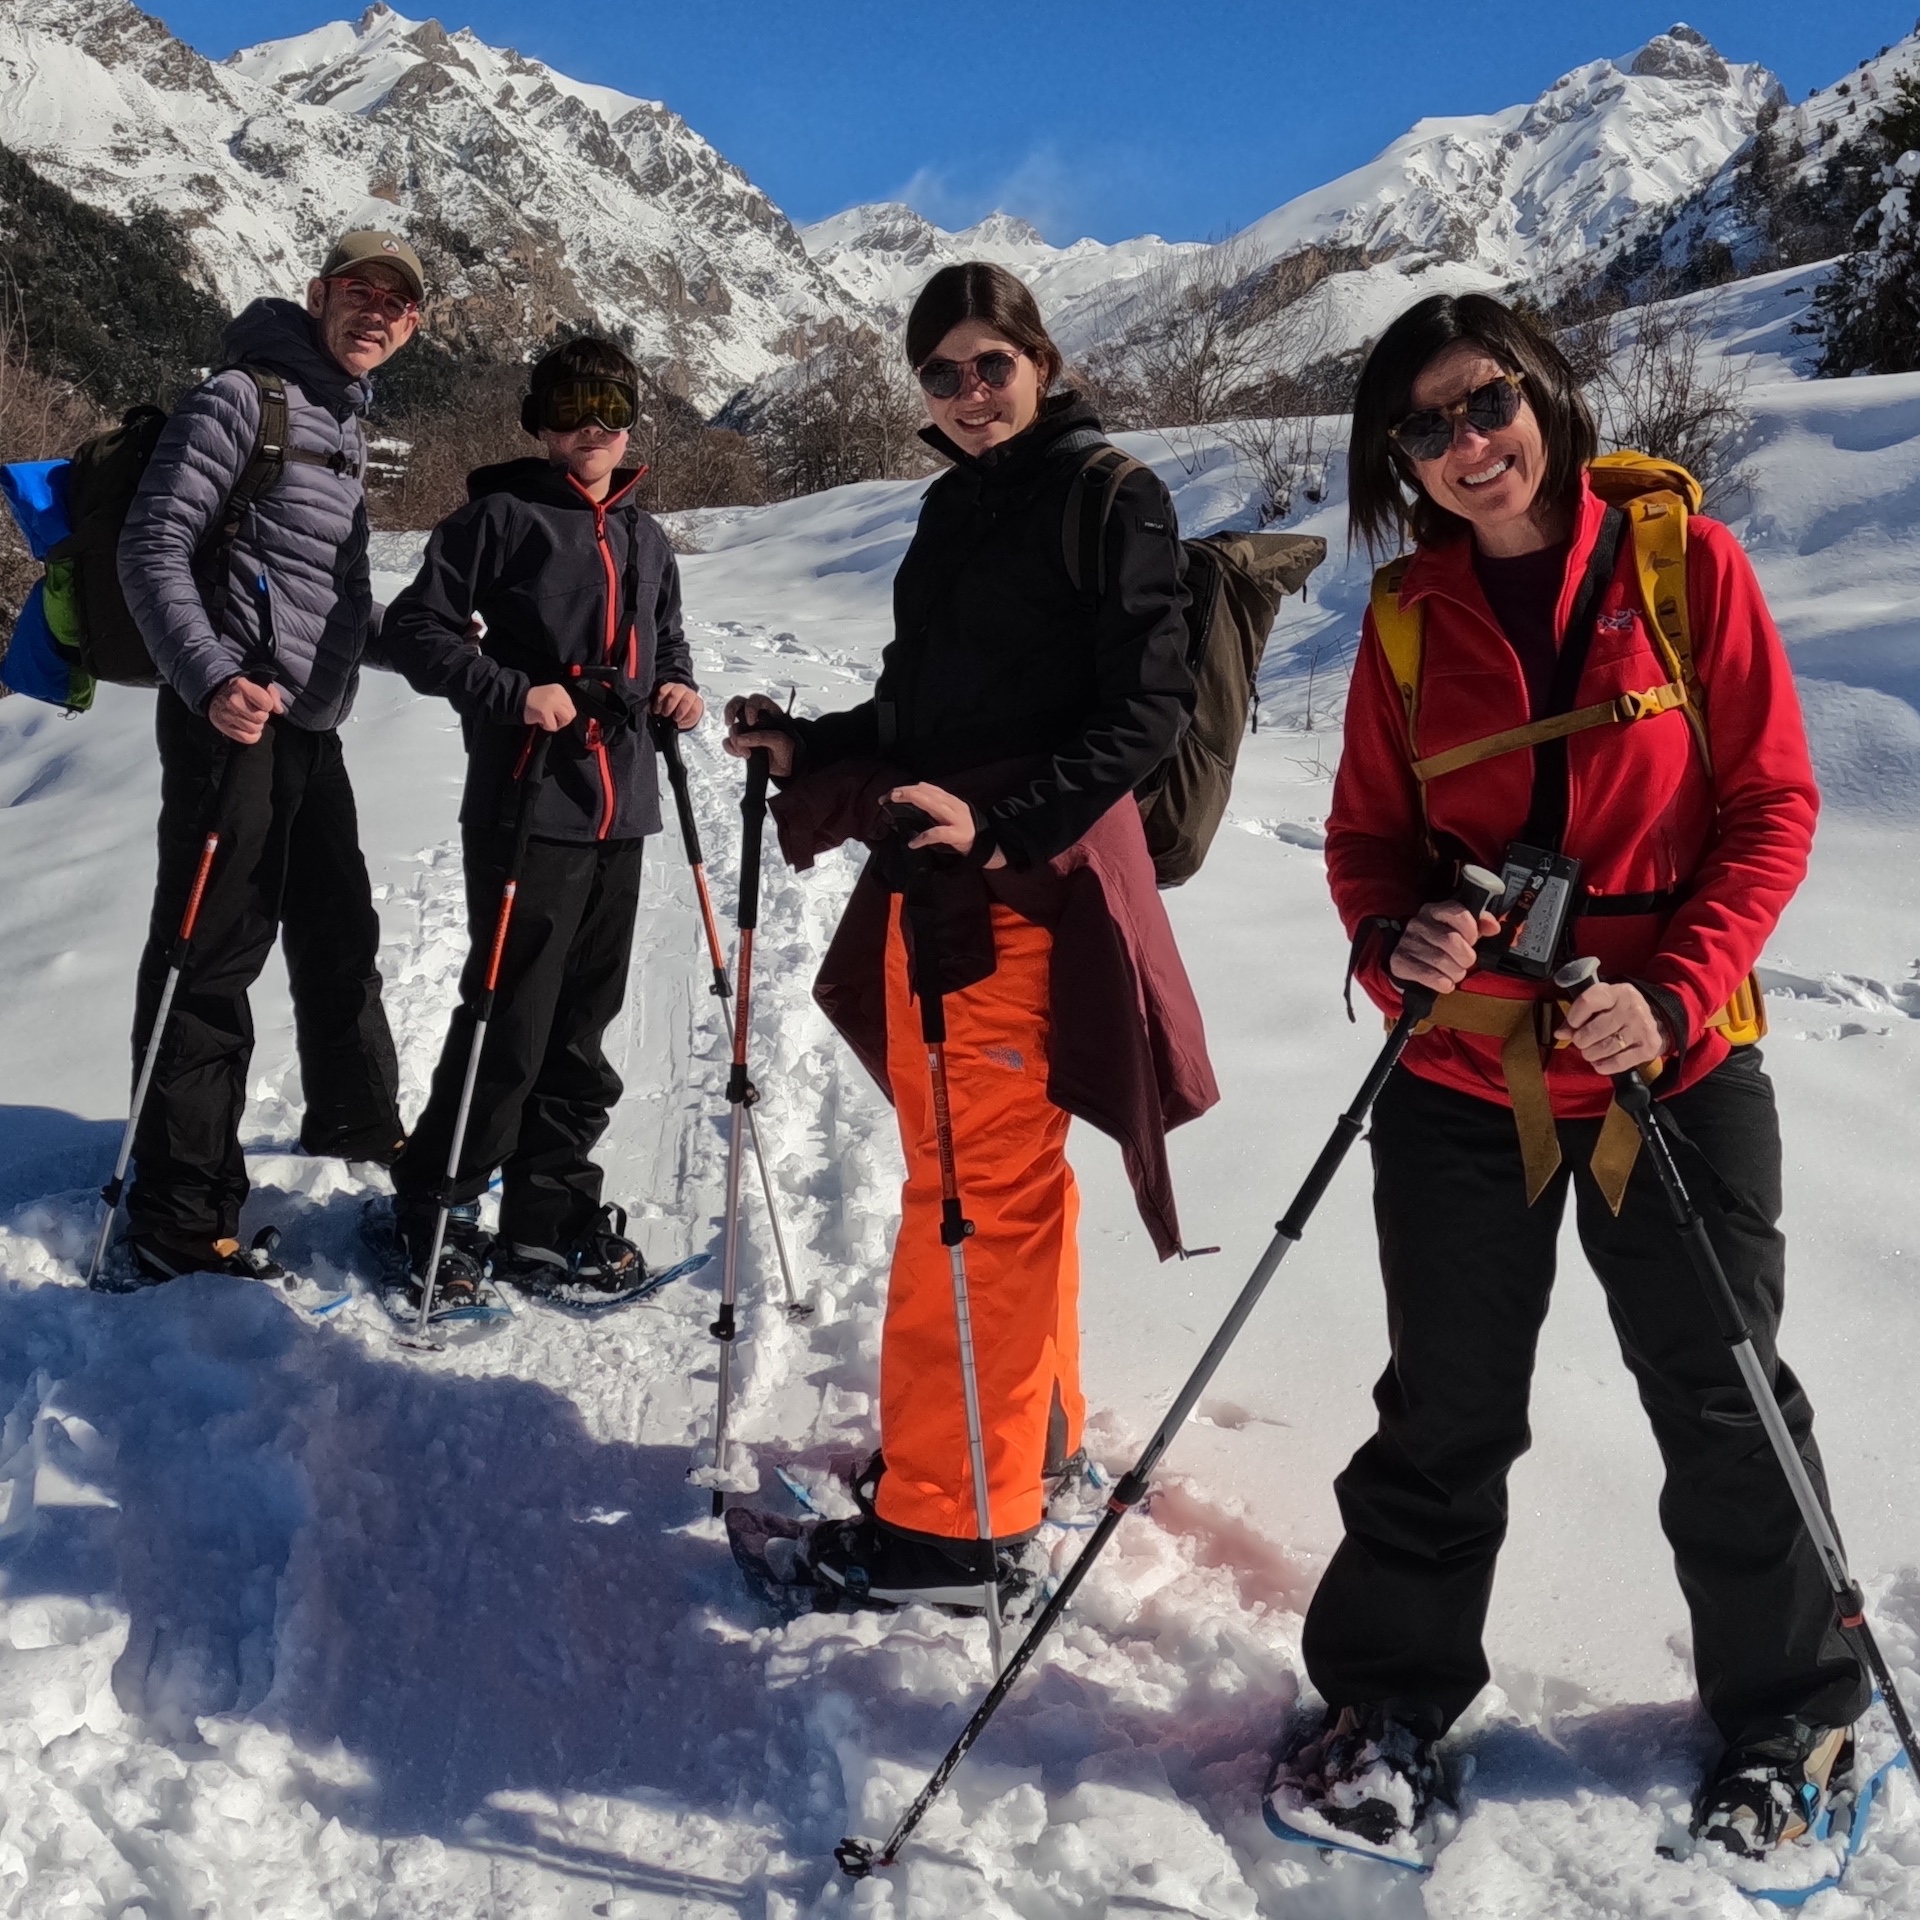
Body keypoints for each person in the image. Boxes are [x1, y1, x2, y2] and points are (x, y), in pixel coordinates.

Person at [1267, 292, 1867, 1863]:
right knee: (1447, 1407)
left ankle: (1793, 1713)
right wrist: (1396, 936)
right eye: (1426, 426)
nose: (1467, 446)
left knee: (1724, 1393)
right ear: (1395, 458)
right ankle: (1386, 1703)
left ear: (1545, 394)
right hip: (1469, 1077)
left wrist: (1675, 990)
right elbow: (1365, 845)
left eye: (1487, 404)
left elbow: (1772, 807)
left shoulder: (1684, 568)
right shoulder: (1407, 619)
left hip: (1673, 1064)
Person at [725, 261, 1217, 1609]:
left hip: (1015, 895)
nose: (967, 391)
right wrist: (811, 744)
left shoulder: (1109, 495)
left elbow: (1144, 713)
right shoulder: (956, 507)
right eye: (939, 373)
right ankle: (1021, 1435)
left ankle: (950, 1529)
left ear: (1041, 362)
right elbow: (921, 713)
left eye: (990, 362)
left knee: (971, 1201)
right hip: (954, 886)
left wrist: (1009, 832)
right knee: (1000, 1182)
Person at [116, 230, 427, 1283]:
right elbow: (149, 546)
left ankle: (359, 1128)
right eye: (359, 292)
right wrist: (209, 677)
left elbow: (323, 597)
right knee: (210, 957)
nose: (374, 312)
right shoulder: (243, 399)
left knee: (340, 929)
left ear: (412, 327)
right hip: (231, 721)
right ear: (319, 295)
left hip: (308, 726)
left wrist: (430, 645)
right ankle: (176, 1210)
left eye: (396, 303)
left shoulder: (342, 418)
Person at [378, 336, 702, 1295]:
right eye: (570, 411)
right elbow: (414, 630)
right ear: (540, 424)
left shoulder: (646, 535)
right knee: (508, 1021)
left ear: (631, 421)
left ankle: (548, 1214)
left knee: (582, 1026)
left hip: (621, 809)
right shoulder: (499, 518)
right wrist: (513, 690)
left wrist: (676, 686)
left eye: (608, 409)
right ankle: (435, 1205)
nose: (590, 429)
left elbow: (665, 638)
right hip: (529, 805)